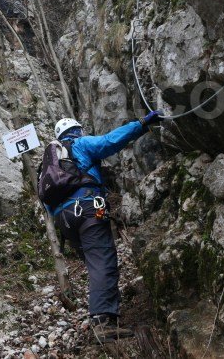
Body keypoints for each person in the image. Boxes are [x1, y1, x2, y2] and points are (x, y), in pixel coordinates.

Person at [50, 112, 162, 343]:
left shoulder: (51, 164)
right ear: (76, 131)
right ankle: (103, 322)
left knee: (95, 264)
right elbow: (109, 142)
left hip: (65, 220)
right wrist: (141, 124)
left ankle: (101, 310)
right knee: (103, 261)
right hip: (88, 209)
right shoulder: (78, 144)